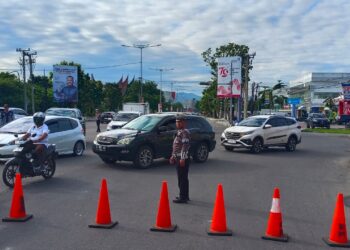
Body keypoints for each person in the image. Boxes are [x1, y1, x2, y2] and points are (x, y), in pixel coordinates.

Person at [169, 115, 191, 204]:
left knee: (182, 178)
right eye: (176, 122)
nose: (177, 123)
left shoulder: (184, 132)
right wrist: (173, 156)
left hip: (182, 158)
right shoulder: (180, 132)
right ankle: (185, 196)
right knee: (182, 178)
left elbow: (185, 146)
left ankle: (183, 197)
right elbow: (177, 146)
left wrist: (182, 158)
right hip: (178, 157)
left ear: (184, 123)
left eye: (179, 122)